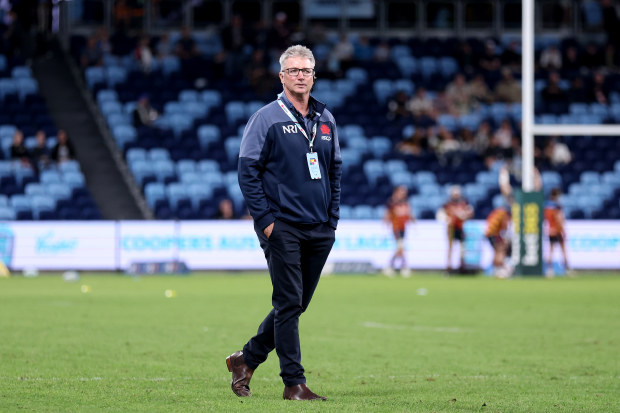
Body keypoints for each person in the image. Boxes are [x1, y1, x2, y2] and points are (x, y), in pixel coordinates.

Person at [229, 45, 341, 401]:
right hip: (282, 226)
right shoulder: (266, 117)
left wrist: (332, 219)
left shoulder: (326, 119)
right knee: (289, 301)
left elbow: (334, 171)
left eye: (306, 70)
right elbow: (247, 172)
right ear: (282, 76)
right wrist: (266, 221)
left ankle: (246, 359)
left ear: (313, 75)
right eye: (293, 70)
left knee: (295, 304)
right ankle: (293, 383)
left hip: (320, 227)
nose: (300, 76)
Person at [436, 185, 474, 273]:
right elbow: (440, 214)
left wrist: (465, 215)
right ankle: (449, 267)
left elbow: (470, 212)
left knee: (462, 249)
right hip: (451, 228)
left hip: (460, 228)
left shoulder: (464, 203)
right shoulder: (447, 204)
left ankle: (462, 267)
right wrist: (446, 219)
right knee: (450, 248)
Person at [383, 185, 414, 278]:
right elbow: (387, 214)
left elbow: (409, 214)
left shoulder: (405, 202)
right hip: (396, 227)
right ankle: (400, 267)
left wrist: (413, 222)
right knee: (400, 247)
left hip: (403, 227)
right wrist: (385, 224)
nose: (404, 194)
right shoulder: (392, 202)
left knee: (400, 248)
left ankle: (394, 267)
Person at [544, 188, 570, 277]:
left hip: (551, 231)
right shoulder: (557, 206)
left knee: (551, 250)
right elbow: (559, 219)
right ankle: (566, 269)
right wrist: (563, 230)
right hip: (557, 230)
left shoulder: (547, 206)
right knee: (563, 250)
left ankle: (549, 270)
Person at [484, 205, 512, 278]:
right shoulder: (503, 214)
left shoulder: (496, 212)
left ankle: (496, 270)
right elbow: (504, 227)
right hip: (494, 234)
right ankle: (499, 269)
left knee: (497, 251)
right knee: (500, 250)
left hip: (490, 233)